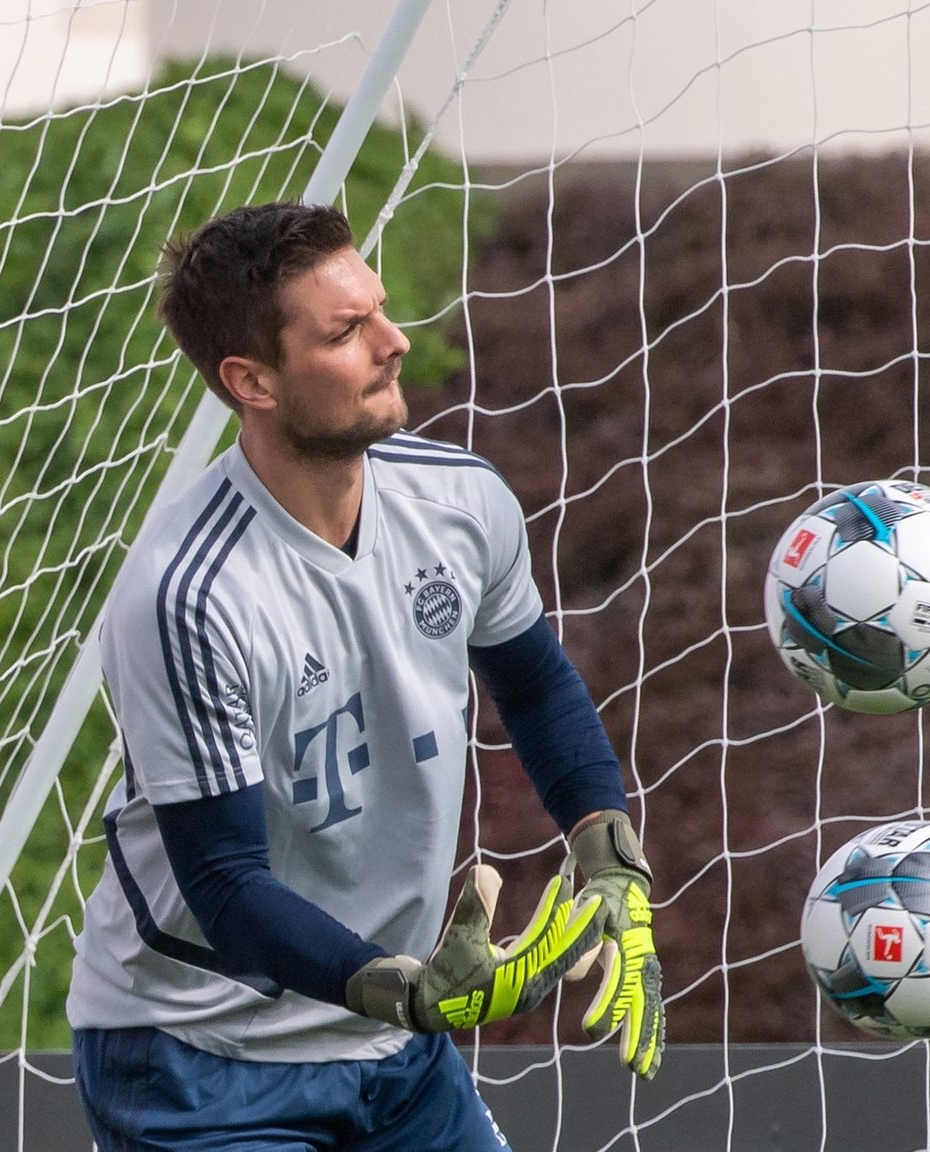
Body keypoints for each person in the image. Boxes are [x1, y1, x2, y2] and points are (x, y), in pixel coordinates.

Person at [66, 202, 664, 1150]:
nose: (393, 343)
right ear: (250, 380)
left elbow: (538, 688)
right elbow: (223, 882)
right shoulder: (187, 596)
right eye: (347, 332)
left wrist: (609, 853)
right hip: (200, 1053)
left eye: (379, 310)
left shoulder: (461, 501)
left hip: (394, 1048)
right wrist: (412, 990)